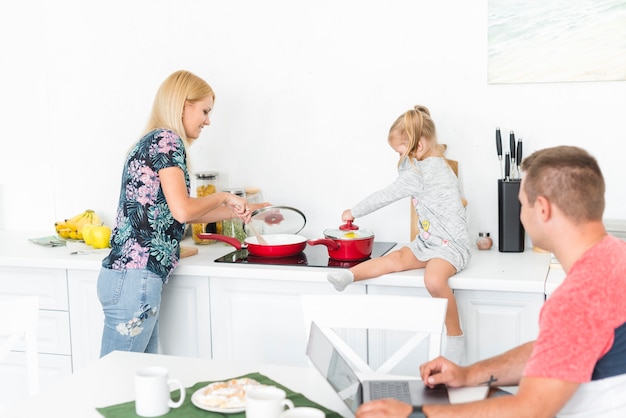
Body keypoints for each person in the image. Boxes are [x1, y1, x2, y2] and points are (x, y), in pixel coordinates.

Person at [356, 145, 626, 418]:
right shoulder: (615, 260)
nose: (520, 213)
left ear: (542, 209)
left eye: (521, 204)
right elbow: (557, 348)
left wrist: (414, 414)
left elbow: (529, 409)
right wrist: (469, 374)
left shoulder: (581, 296)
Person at [98, 70, 267, 357]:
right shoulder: (167, 140)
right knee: (117, 381)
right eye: (204, 110)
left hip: (128, 277)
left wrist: (234, 210)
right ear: (183, 105)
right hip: (135, 278)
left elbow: (171, 212)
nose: (208, 120)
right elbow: (183, 210)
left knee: (137, 381)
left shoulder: (153, 140)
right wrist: (224, 195)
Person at [327, 105, 471, 363]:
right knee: (393, 259)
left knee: (434, 280)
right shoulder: (431, 162)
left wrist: (354, 211)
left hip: (450, 246)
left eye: (401, 150)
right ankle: (348, 276)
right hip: (427, 242)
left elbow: (385, 195)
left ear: (420, 145)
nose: (400, 155)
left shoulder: (421, 173)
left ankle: (456, 337)